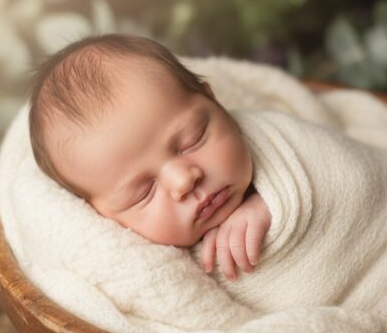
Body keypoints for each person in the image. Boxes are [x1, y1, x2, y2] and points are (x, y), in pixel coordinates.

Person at [28, 34, 271, 282]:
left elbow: (311, 157)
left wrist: (271, 204)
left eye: (192, 140)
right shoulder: (148, 272)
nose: (183, 181)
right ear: (101, 216)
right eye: (144, 192)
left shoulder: (273, 140)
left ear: (213, 100)